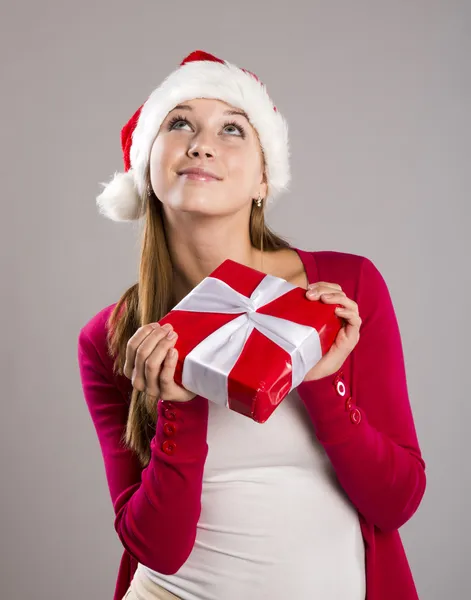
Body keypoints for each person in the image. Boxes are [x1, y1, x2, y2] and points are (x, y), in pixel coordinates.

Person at [77, 50, 426, 600]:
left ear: (264, 178)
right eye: (179, 123)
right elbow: (157, 548)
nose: (201, 143)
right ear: (146, 166)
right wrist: (178, 407)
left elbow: (396, 500)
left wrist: (321, 379)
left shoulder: (343, 290)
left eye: (232, 128)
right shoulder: (116, 336)